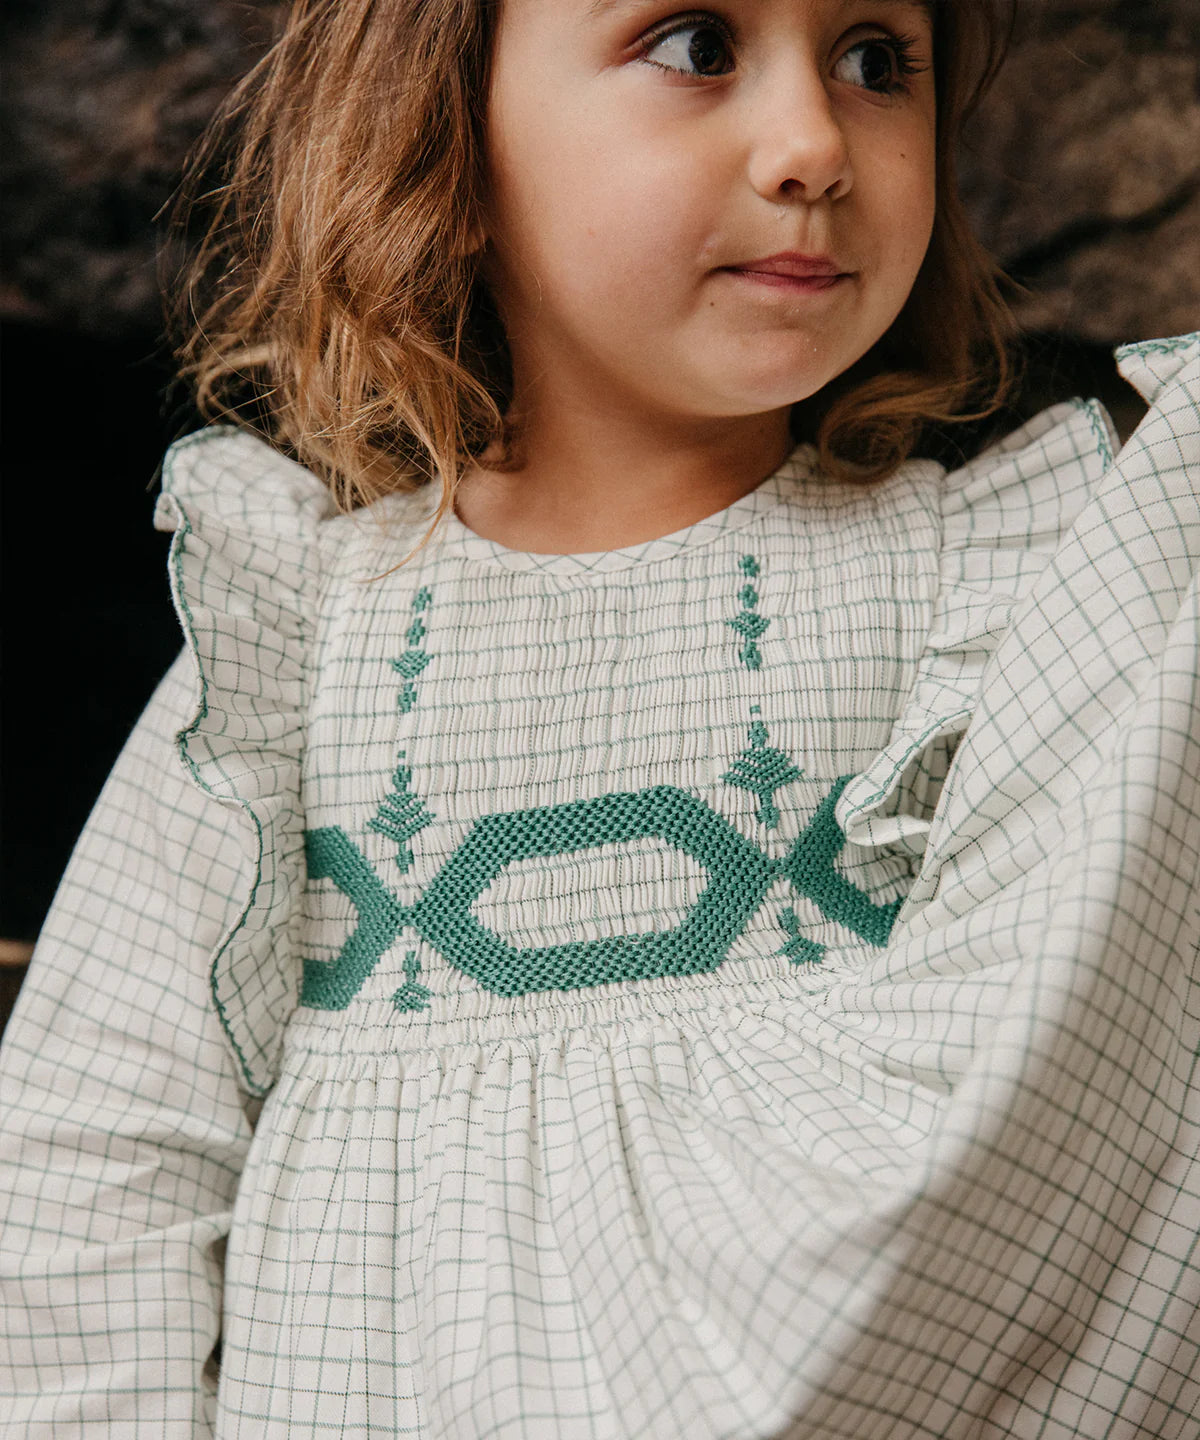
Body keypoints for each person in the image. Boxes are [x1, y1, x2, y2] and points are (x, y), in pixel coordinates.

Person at [2, 0, 1197, 1434]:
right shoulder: (299, 633)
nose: (816, 143)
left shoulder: (998, 586)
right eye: (695, 48)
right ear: (447, 142)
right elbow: (98, 1155)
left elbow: (1095, 1013)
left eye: (876, 60)